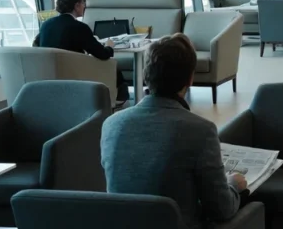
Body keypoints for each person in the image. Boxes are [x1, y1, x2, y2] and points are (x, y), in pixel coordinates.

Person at [101, 34, 247, 229]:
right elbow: (221, 209)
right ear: (190, 79)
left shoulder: (111, 124)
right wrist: (234, 186)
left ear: (145, 75)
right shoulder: (200, 131)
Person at [36, 0, 129, 104]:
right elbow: (103, 54)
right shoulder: (79, 27)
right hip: (76, 74)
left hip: (51, 75)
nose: (84, 6)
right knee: (113, 66)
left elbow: (36, 44)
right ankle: (119, 101)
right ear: (77, 6)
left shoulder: (46, 25)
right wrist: (109, 46)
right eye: (83, 3)